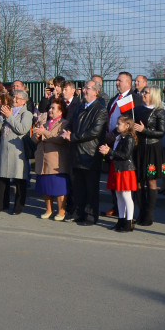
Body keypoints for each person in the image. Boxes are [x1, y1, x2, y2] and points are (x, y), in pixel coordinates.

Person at [65, 80, 108, 226]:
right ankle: (78, 213)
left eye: (87, 88)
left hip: (90, 154)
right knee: (78, 187)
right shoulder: (80, 107)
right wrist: (68, 131)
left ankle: (90, 216)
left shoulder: (100, 110)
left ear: (96, 92)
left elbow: (94, 132)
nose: (84, 91)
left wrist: (73, 137)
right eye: (84, 88)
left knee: (91, 188)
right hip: (77, 152)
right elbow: (72, 124)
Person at [0, 90, 34, 215]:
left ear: (24, 101)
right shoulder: (7, 109)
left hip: (17, 150)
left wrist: (9, 116)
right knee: (1, 178)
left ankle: (18, 207)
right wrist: (2, 117)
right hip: (4, 148)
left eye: (18, 98)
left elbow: (22, 129)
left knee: (19, 179)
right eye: (14, 97)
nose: (15, 100)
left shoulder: (27, 114)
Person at [133, 85, 165, 226]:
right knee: (138, 181)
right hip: (139, 147)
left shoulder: (159, 111)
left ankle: (149, 214)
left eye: (146, 93)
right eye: (143, 92)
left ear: (153, 95)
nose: (143, 95)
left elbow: (161, 132)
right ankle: (141, 212)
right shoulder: (137, 109)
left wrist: (144, 130)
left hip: (152, 148)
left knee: (151, 181)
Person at [33, 98, 70, 220]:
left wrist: (45, 133)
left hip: (55, 159)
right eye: (50, 108)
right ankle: (48, 209)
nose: (50, 110)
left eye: (53, 108)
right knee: (45, 186)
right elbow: (34, 138)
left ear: (60, 111)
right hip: (43, 159)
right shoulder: (45, 122)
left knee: (59, 188)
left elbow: (60, 139)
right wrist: (37, 135)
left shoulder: (64, 123)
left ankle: (61, 211)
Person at [99, 115, 138, 232]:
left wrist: (110, 151)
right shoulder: (119, 137)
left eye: (119, 124)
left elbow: (125, 155)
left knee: (126, 195)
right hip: (117, 168)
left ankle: (129, 221)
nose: (117, 126)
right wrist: (108, 151)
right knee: (118, 195)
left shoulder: (129, 138)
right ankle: (121, 220)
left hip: (125, 169)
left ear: (127, 126)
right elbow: (116, 153)